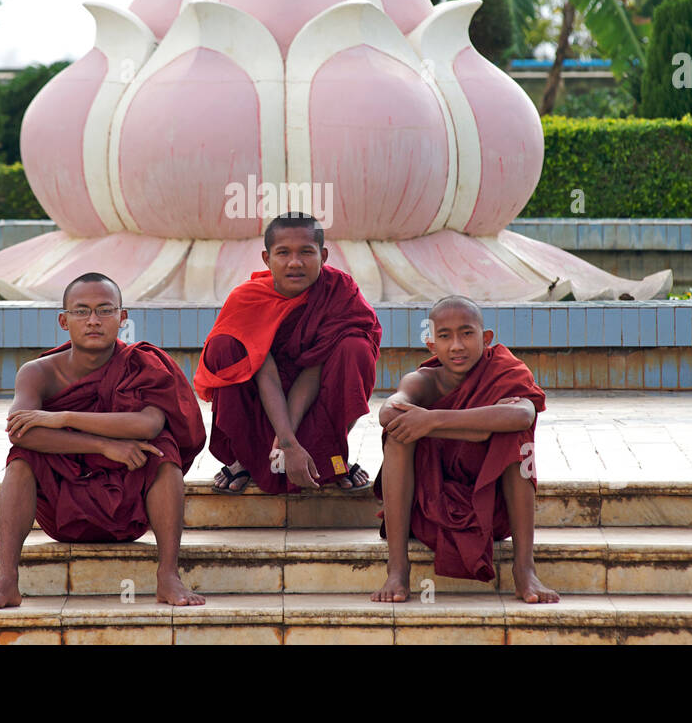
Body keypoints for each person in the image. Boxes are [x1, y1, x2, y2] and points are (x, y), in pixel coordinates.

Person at [0, 272, 207, 609]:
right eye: (81, 311)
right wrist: (102, 445)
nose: (93, 320)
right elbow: (22, 430)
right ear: (64, 320)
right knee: (21, 457)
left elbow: (149, 424)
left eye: (105, 310)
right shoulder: (38, 372)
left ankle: (168, 574)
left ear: (122, 318)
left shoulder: (143, 364)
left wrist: (63, 418)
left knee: (164, 451)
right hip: (64, 504)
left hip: (129, 501)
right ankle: (6, 579)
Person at [369, 295, 559, 604]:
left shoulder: (505, 370)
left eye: (467, 333)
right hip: (433, 510)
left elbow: (523, 414)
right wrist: (478, 427)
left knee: (516, 436)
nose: (457, 345)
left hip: (491, 511)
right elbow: (388, 414)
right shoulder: (422, 381)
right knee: (398, 435)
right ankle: (397, 569)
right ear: (431, 345)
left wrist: (432, 421)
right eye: (445, 336)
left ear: (486, 339)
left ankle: (525, 569)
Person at [194, 212, 381, 494]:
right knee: (225, 345)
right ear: (267, 259)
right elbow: (265, 374)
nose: (295, 263)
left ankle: (333, 453)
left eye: (307, 252)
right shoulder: (248, 299)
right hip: (263, 403)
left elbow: (314, 371)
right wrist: (287, 441)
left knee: (355, 348)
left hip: (313, 401)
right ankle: (241, 460)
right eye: (283, 253)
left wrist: (286, 441)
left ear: (324, 255)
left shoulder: (340, 293)